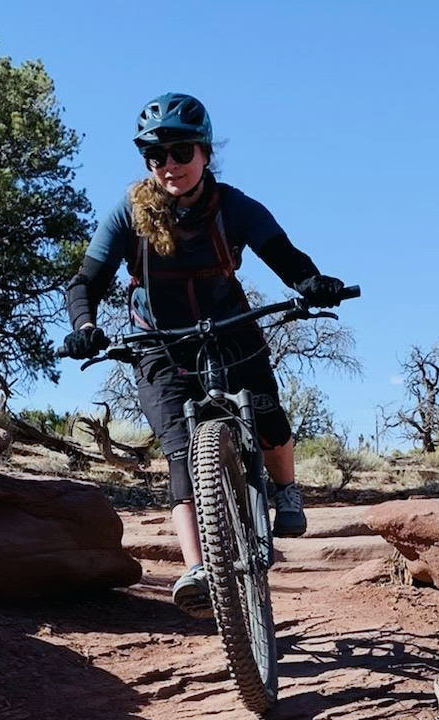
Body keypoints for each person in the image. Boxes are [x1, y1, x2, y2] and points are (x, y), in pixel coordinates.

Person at [63, 92, 346, 617]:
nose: (169, 164)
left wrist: (311, 282)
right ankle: (198, 567)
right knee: (179, 452)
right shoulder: (128, 213)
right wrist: (85, 325)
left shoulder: (234, 207)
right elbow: (86, 281)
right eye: (156, 155)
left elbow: (281, 254)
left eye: (181, 151)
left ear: (204, 153)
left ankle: (285, 489)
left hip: (229, 328)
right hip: (159, 343)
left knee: (269, 419)